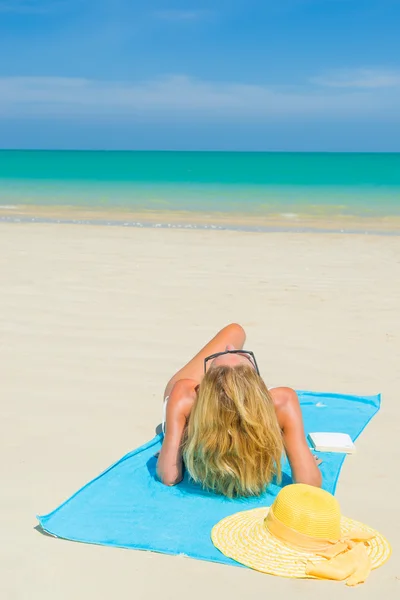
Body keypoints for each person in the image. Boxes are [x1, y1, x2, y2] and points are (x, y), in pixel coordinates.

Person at [157, 323, 322, 497]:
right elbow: (309, 484)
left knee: (235, 331)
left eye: (221, 355)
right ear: (256, 384)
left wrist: (171, 447)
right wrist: (303, 457)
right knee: (236, 331)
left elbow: (169, 476)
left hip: (199, 409)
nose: (230, 348)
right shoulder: (282, 402)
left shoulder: (185, 395)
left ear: (205, 388)